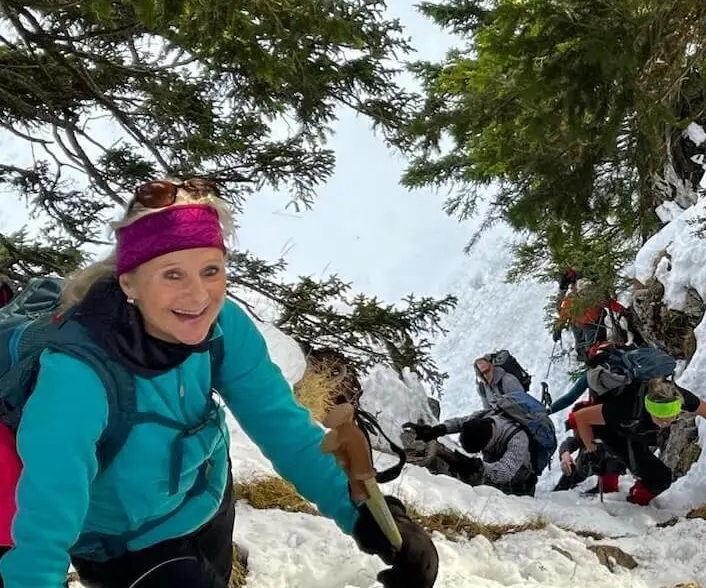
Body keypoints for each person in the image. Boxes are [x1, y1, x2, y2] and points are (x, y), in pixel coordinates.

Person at [0, 178, 438, 588]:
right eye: (172, 273)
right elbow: (43, 522)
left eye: (210, 271)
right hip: (126, 548)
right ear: (129, 281)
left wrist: (375, 518)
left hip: (207, 500)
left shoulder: (223, 327)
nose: (198, 296)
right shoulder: (77, 376)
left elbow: (287, 432)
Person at [571, 377, 706, 505]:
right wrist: (592, 451)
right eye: (661, 419)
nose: (666, 423)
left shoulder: (679, 397)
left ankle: (635, 496)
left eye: (670, 418)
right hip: (611, 430)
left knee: (660, 477)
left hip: (637, 432)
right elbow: (581, 418)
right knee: (658, 476)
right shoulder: (626, 406)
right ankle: (632, 503)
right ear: (648, 408)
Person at [406, 413, 537, 496]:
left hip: (519, 482)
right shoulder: (484, 416)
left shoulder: (519, 439)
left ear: (488, 444)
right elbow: (460, 423)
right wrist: (438, 429)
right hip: (493, 463)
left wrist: (477, 465)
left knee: (475, 478)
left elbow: (504, 473)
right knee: (469, 471)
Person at [552, 269, 638, 360]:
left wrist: (623, 311)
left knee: (594, 345)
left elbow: (608, 303)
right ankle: (589, 360)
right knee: (584, 345)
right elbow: (564, 312)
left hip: (593, 322)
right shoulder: (572, 298)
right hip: (581, 322)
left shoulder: (590, 295)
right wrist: (558, 328)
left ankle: (598, 360)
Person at [552, 400, 624, 494]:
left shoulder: (610, 447)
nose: (575, 432)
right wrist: (565, 454)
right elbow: (569, 442)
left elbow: (609, 486)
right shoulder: (585, 438)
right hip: (578, 481)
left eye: (577, 428)